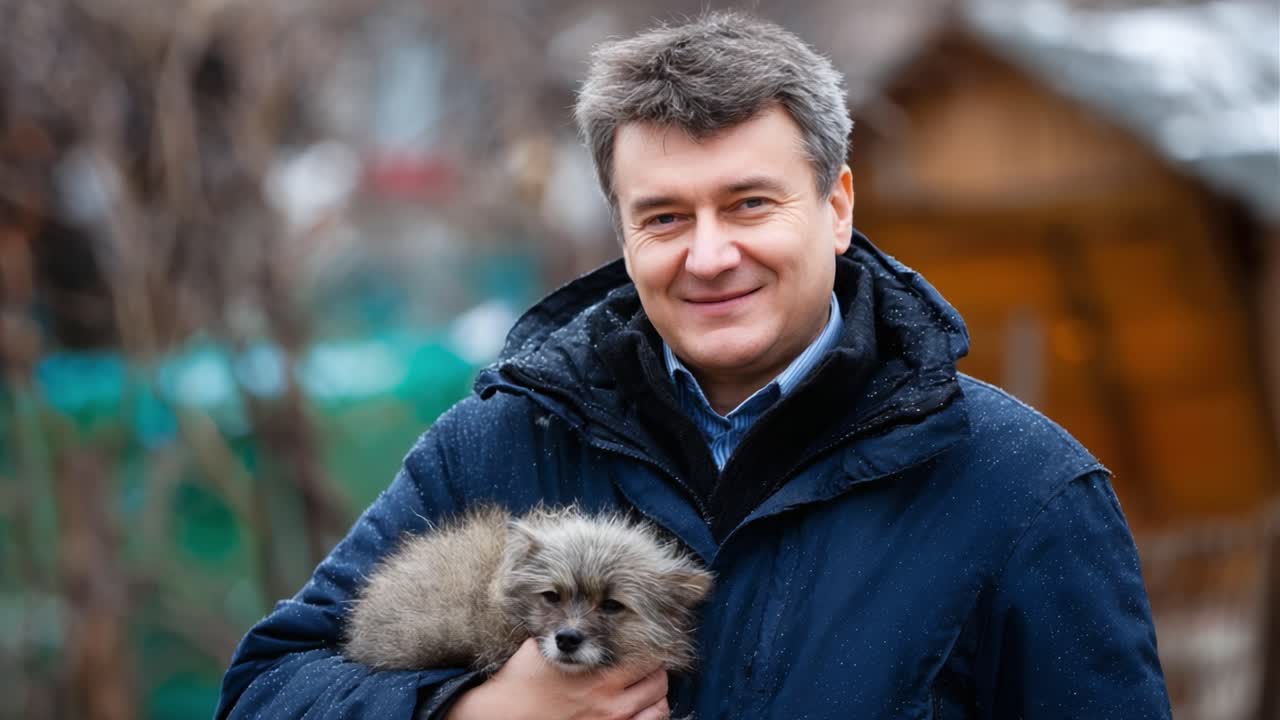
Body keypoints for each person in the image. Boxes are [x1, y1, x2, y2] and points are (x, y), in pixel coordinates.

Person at [217, 11, 1172, 719]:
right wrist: (476, 711)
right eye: (665, 216)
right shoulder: (498, 443)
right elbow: (266, 693)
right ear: (623, 233)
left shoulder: (1024, 491)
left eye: (750, 203)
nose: (708, 255)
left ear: (837, 207)